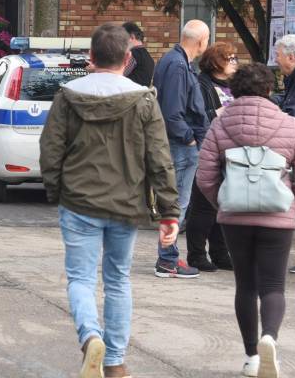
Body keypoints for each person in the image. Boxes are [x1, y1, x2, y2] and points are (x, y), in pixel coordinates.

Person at [40, 23, 180, 378]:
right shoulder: (144, 98)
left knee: (81, 279)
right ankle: (115, 362)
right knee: (118, 279)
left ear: (91, 56)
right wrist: (168, 211)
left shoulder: (68, 95)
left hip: (78, 201)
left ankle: (90, 337)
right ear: (128, 58)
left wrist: (55, 191)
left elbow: (51, 149)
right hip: (126, 203)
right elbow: (159, 158)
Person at [196, 63, 295, 378]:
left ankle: (252, 356)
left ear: (234, 90)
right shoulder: (290, 124)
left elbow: (205, 175)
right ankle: (270, 337)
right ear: (269, 90)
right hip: (277, 216)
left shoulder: (220, 124)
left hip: (234, 217)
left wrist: (223, 202)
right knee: (273, 286)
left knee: (245, 285)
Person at [152, 19, 210, 279]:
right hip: (180, 143)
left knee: (174, 203)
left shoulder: (173, 61)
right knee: (177, 203)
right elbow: (173, 112)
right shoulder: (177, 65)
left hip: (178, 141)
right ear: (201, 41)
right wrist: (189, 138)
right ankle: (167, 260)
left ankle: (168, 257)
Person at [184, 42, 237, 272]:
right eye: (230, 58)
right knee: (204, 206)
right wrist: (217, 112)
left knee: (223, 205)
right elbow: (195, 115)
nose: (234, 62)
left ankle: (219, 252)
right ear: (216, 62)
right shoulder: (201, 84)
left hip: (232, 151)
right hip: (209, 148)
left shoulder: (234, 85)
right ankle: (196, 254)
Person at [272, 34, 295, 275]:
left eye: (278, 56)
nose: (276, 61)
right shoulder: (292, 79)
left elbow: (293, 111)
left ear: (292, 57)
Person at [121, 22, 154, 87]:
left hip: (129, 94)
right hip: (141, 94)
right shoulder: (147, 56)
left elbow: (119, 75)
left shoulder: (133, 54)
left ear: (132, 37)